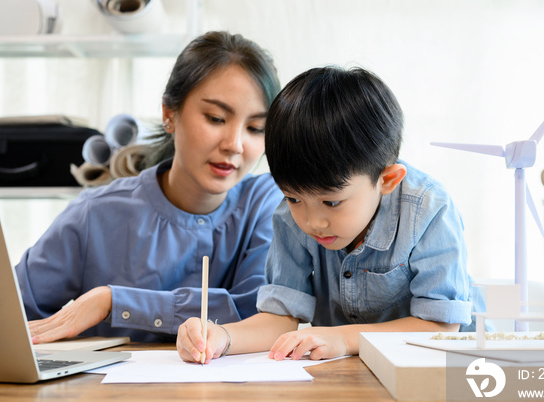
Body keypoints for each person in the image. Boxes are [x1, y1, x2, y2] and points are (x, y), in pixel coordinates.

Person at [177, 66, 483, 362]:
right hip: (354, 378)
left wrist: (345, 339)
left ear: (387, 180)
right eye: (293, 197)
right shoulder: (289, 217)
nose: (313, 222)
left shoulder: (429, 209)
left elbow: (441, 327)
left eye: (332, 203)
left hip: (453, 368)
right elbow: (280, 318)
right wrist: (221, 337)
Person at [18, 31, 283, 343]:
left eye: (255, 128)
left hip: (228, 393)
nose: (235, 145)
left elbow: (254, 314)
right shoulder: (94, 215)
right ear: (169, 114)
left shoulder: (267, 203)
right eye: (215, 118)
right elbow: (5, 311)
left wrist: (114, 302)